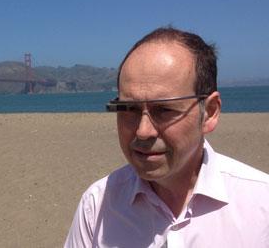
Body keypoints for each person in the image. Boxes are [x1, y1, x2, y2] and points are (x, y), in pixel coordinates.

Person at [64, 27, 269, 247]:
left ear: (209, 113)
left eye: (164, 110)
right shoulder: (97, 207)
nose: (143, 131)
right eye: (128, 109)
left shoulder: (261, 206)